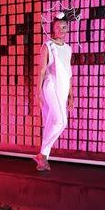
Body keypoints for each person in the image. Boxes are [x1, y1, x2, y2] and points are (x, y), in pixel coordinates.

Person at [34, 12, 74, 171]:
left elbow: (69, 73)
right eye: (58, 27)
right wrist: (37, 93)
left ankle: (43, 157)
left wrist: (71, 94)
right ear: (53, 29)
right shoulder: (47, 45)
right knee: (59, 121)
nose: (62, 30)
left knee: (56, 122)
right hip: (50, 86)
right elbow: (42, 71)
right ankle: (43, 154)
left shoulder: (68, 49)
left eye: (64, 27)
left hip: (63, 87)